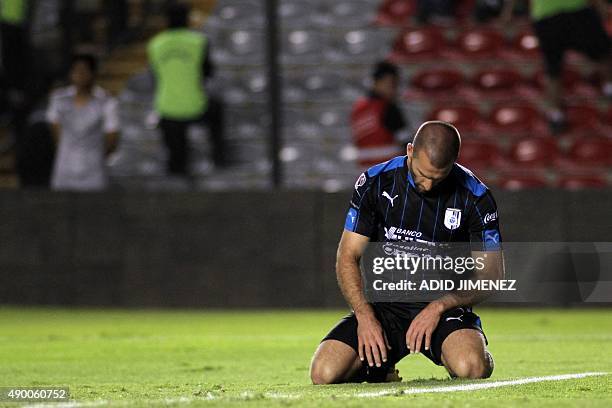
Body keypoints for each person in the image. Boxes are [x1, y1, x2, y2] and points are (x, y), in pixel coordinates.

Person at [310, 121, 504, 384]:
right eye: (421, 174)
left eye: (438, 177)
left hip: (443, 307)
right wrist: (364, 315)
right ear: (410, 150)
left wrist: (438, 306)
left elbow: (491, 275)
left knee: (471, 366)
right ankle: (380, 368)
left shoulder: (476, 197)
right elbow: (348, 256)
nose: (427, 185)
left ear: (454, 163)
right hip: (384, 306)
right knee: (324, 373)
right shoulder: (375, 183)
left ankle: (475, 352)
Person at [502, 0, 612, 132]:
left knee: (553, 69)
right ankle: (607, 88)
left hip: (550, 15)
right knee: (601, 53)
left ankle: (556, 115)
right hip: (570, 10)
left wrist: (507, 13)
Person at [148, 3, 224, 176]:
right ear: (187, 19)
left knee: (176, 160)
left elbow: (155, 77)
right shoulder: (198, 41)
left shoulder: (155, 44)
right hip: (196, 106)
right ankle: (219, 157)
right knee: (217, 108)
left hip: (166, 108)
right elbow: (208, 72)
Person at [46, 54, 120, 191]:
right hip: (64, 170)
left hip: (94, 172)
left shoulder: (106, 101)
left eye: (84, 71)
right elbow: (55, 131)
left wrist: (95, 156)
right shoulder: (59, 99)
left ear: (93, 73)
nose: (79, 75)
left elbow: (112, 138)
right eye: (76, 71)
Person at [350, 61, 409, 168]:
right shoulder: (389, 108)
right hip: (389, 172)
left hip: (364, 173)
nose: (394, 89)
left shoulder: (357, 108)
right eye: (392, 84)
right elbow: (405, 141)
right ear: (379, 82)